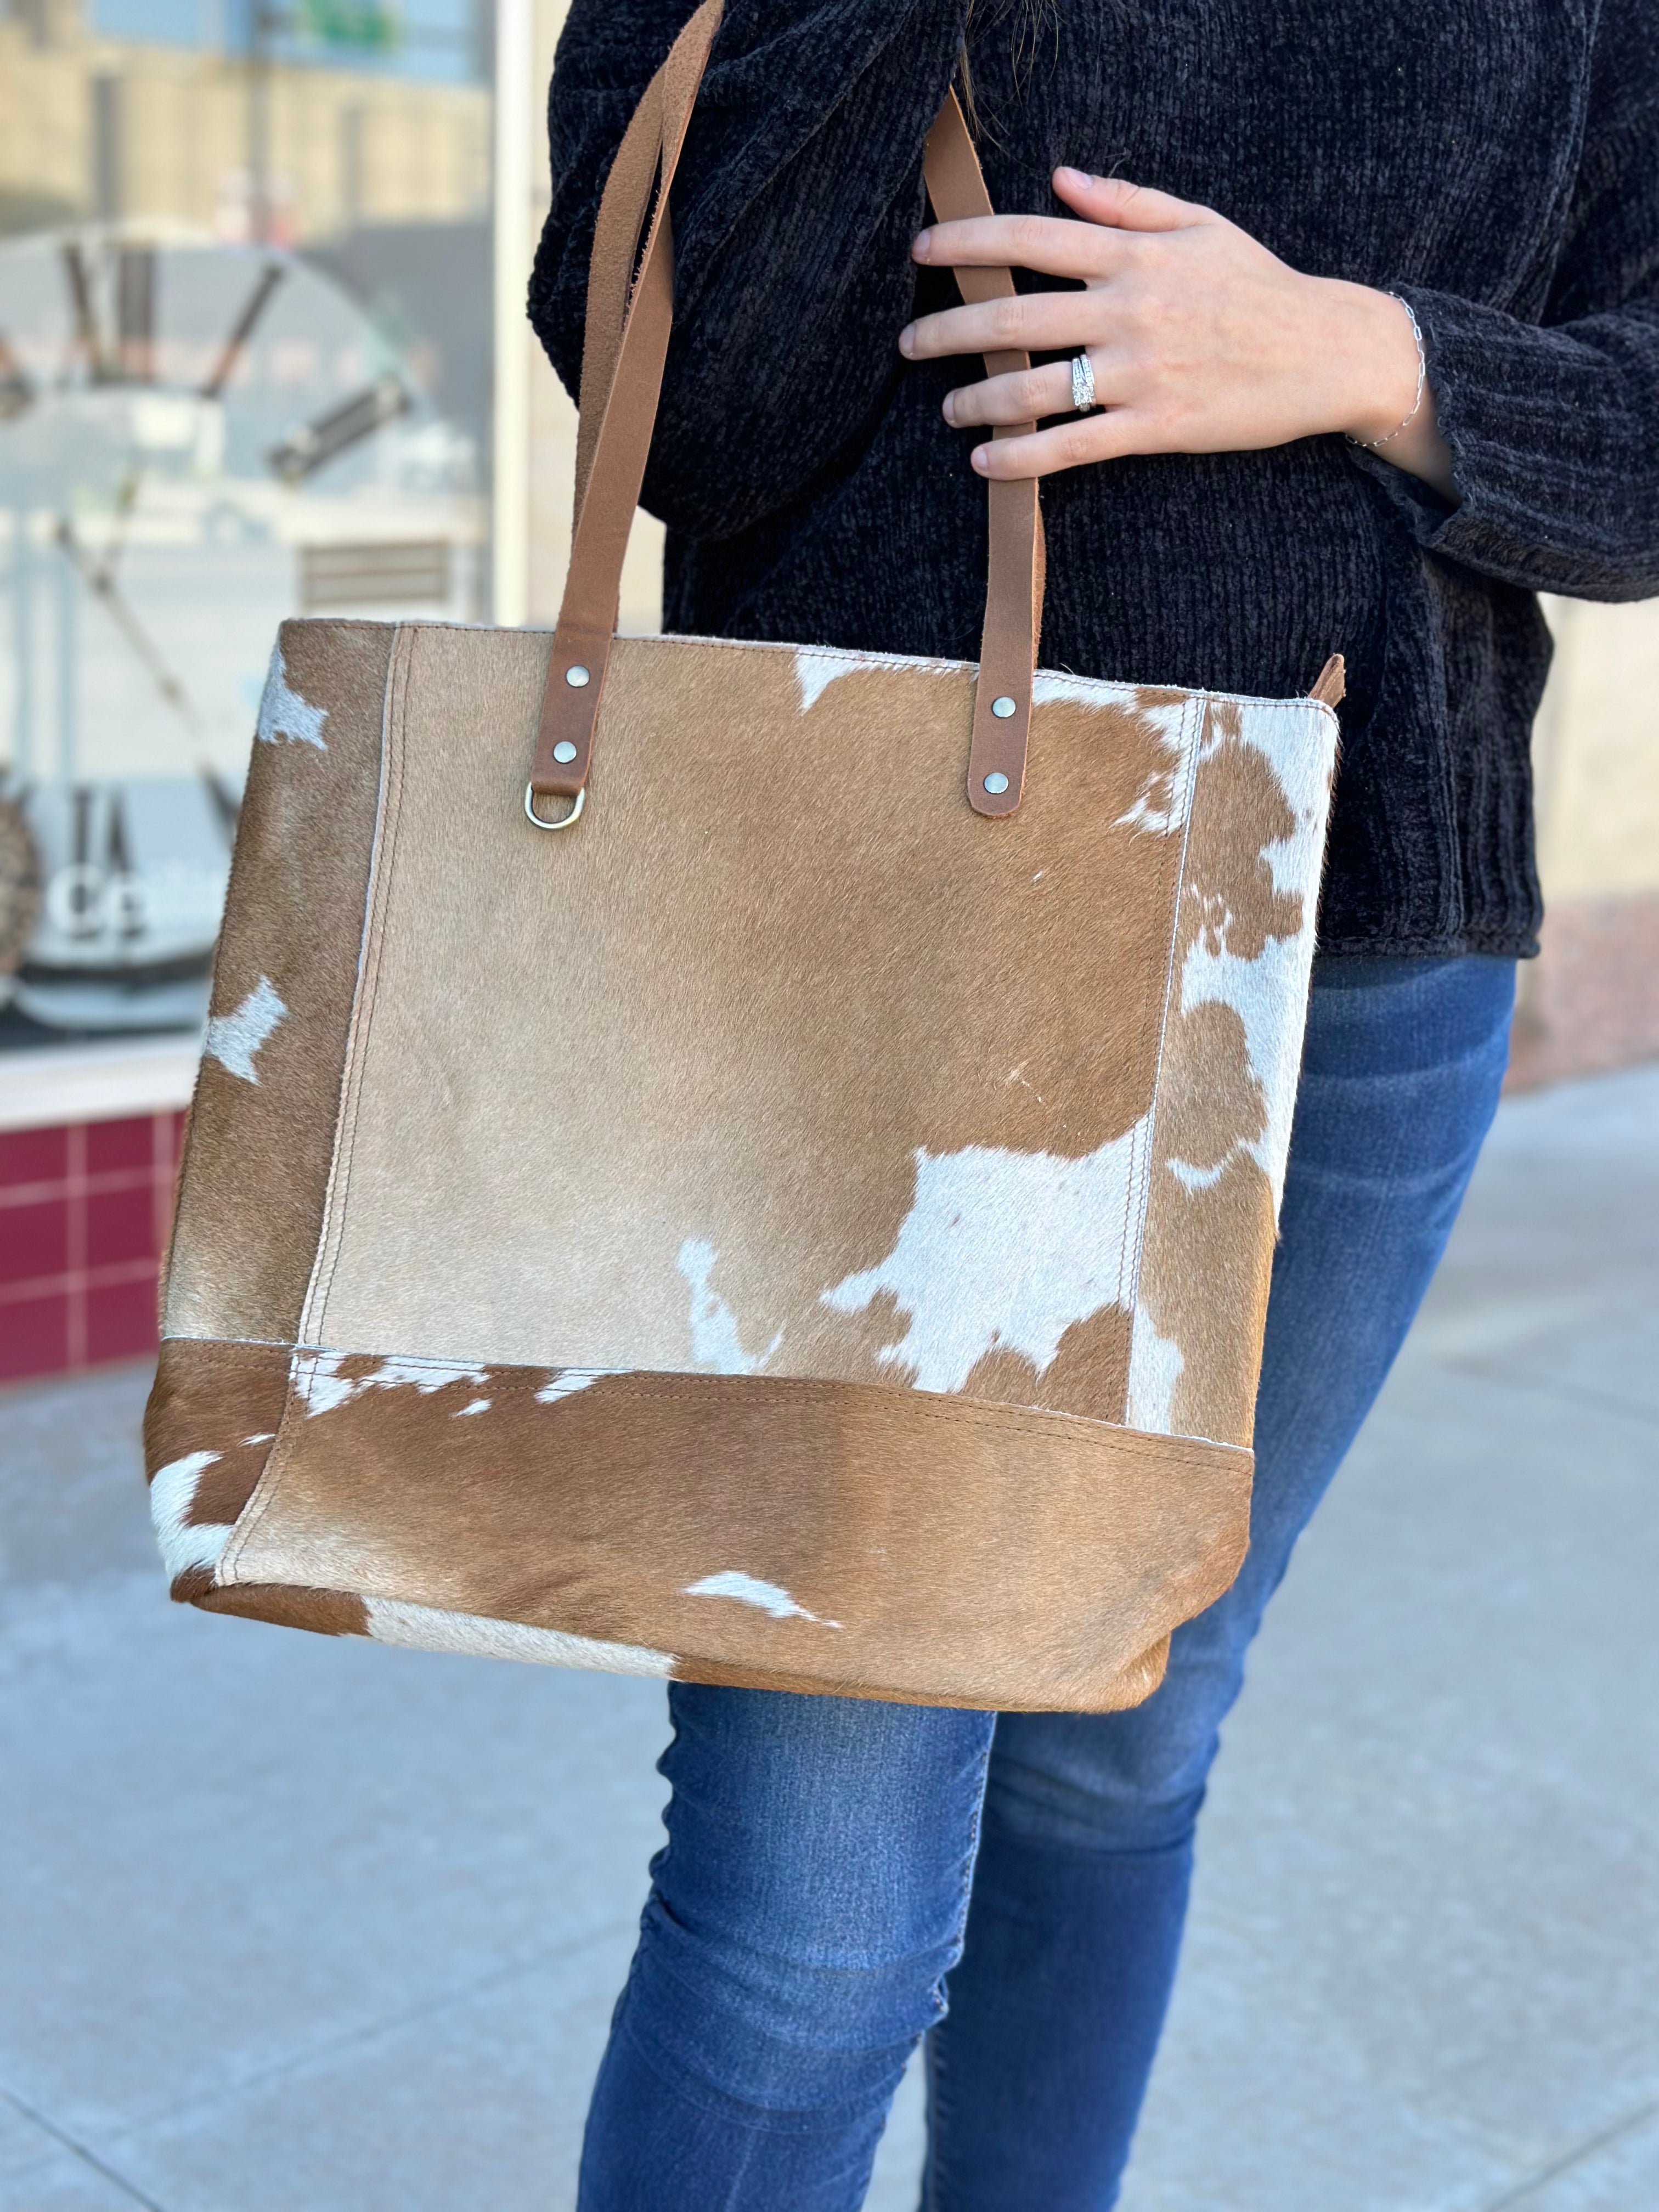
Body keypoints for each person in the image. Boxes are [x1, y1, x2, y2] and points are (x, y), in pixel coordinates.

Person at [528, 4, 1659, 2204]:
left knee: (1125, 1748)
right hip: (883, 936)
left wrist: (1359, 355)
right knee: (810, 1917)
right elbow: (685, 386)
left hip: (1365, 948)